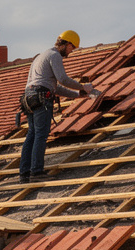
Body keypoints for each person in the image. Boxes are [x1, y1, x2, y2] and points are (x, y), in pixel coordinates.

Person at [18, 30, 99, 184]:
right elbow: (62, 79)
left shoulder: (41, 56)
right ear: (67, 44)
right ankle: (36, 172)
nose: (71, 52)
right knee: (41, 135)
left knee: (32, 134)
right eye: (72, 48)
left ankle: (24, 173)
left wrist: (78, 94)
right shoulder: (55, 56)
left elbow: (55, 87)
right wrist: (83, 86)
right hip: (41, 98)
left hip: (29, 97)